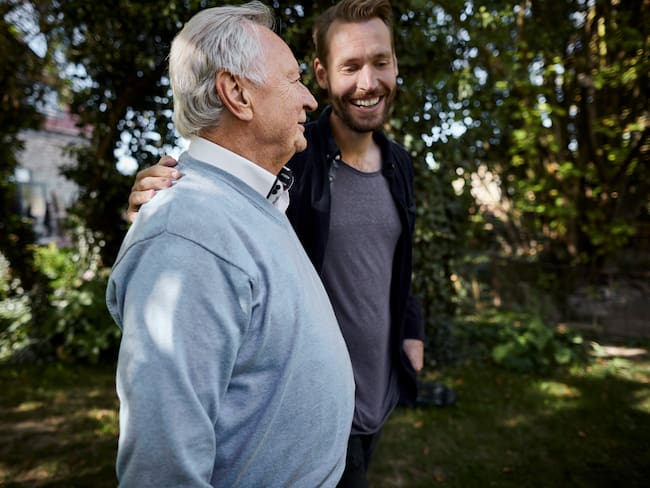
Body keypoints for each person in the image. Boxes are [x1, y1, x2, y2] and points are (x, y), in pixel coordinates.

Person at [127, 1, 424, 486]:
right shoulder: (291, 155)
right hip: (304, 421)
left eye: (381, 62)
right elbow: (211, 189)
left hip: (377, 393)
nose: (369, 82)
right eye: (350, 66)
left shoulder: (398, 165)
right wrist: (165, 196)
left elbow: (397, 261)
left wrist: (412, 329)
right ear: (324, 74)